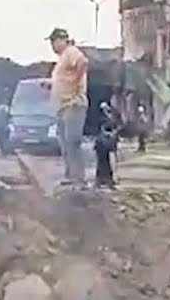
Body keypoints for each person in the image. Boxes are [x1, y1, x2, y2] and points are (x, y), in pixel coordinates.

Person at [48, 27, 89, 187]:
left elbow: (82, 63)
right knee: (65, 143)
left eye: (53, 42)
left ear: (61, 40)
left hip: (73, 104)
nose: (52, 46)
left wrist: (75, 83)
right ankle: (70, 175)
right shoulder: (62, 58)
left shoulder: (71, 51)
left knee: (72, 142)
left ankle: (79, 178)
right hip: (62, 106)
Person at [94, 122, 118, 188]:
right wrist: (115, 174)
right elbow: (112, 157)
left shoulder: (98, 139)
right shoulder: (111, 140)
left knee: (96, 187)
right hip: (108, 171)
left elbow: (95, 153)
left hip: (99, 170)